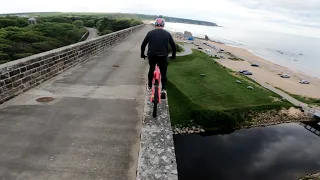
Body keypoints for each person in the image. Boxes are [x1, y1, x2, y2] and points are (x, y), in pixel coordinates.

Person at [140, 17, 176, 98]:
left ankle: (149, 86)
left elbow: (143, 45)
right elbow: (173, 46)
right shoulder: (167, 34)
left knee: (151, 69)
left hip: (152, 55)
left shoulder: (150, 33)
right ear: (163, 25)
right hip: (163, 56)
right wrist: (173, 55)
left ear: (156, 24)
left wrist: (142, 54)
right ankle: (163, 89)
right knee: (163, 72)